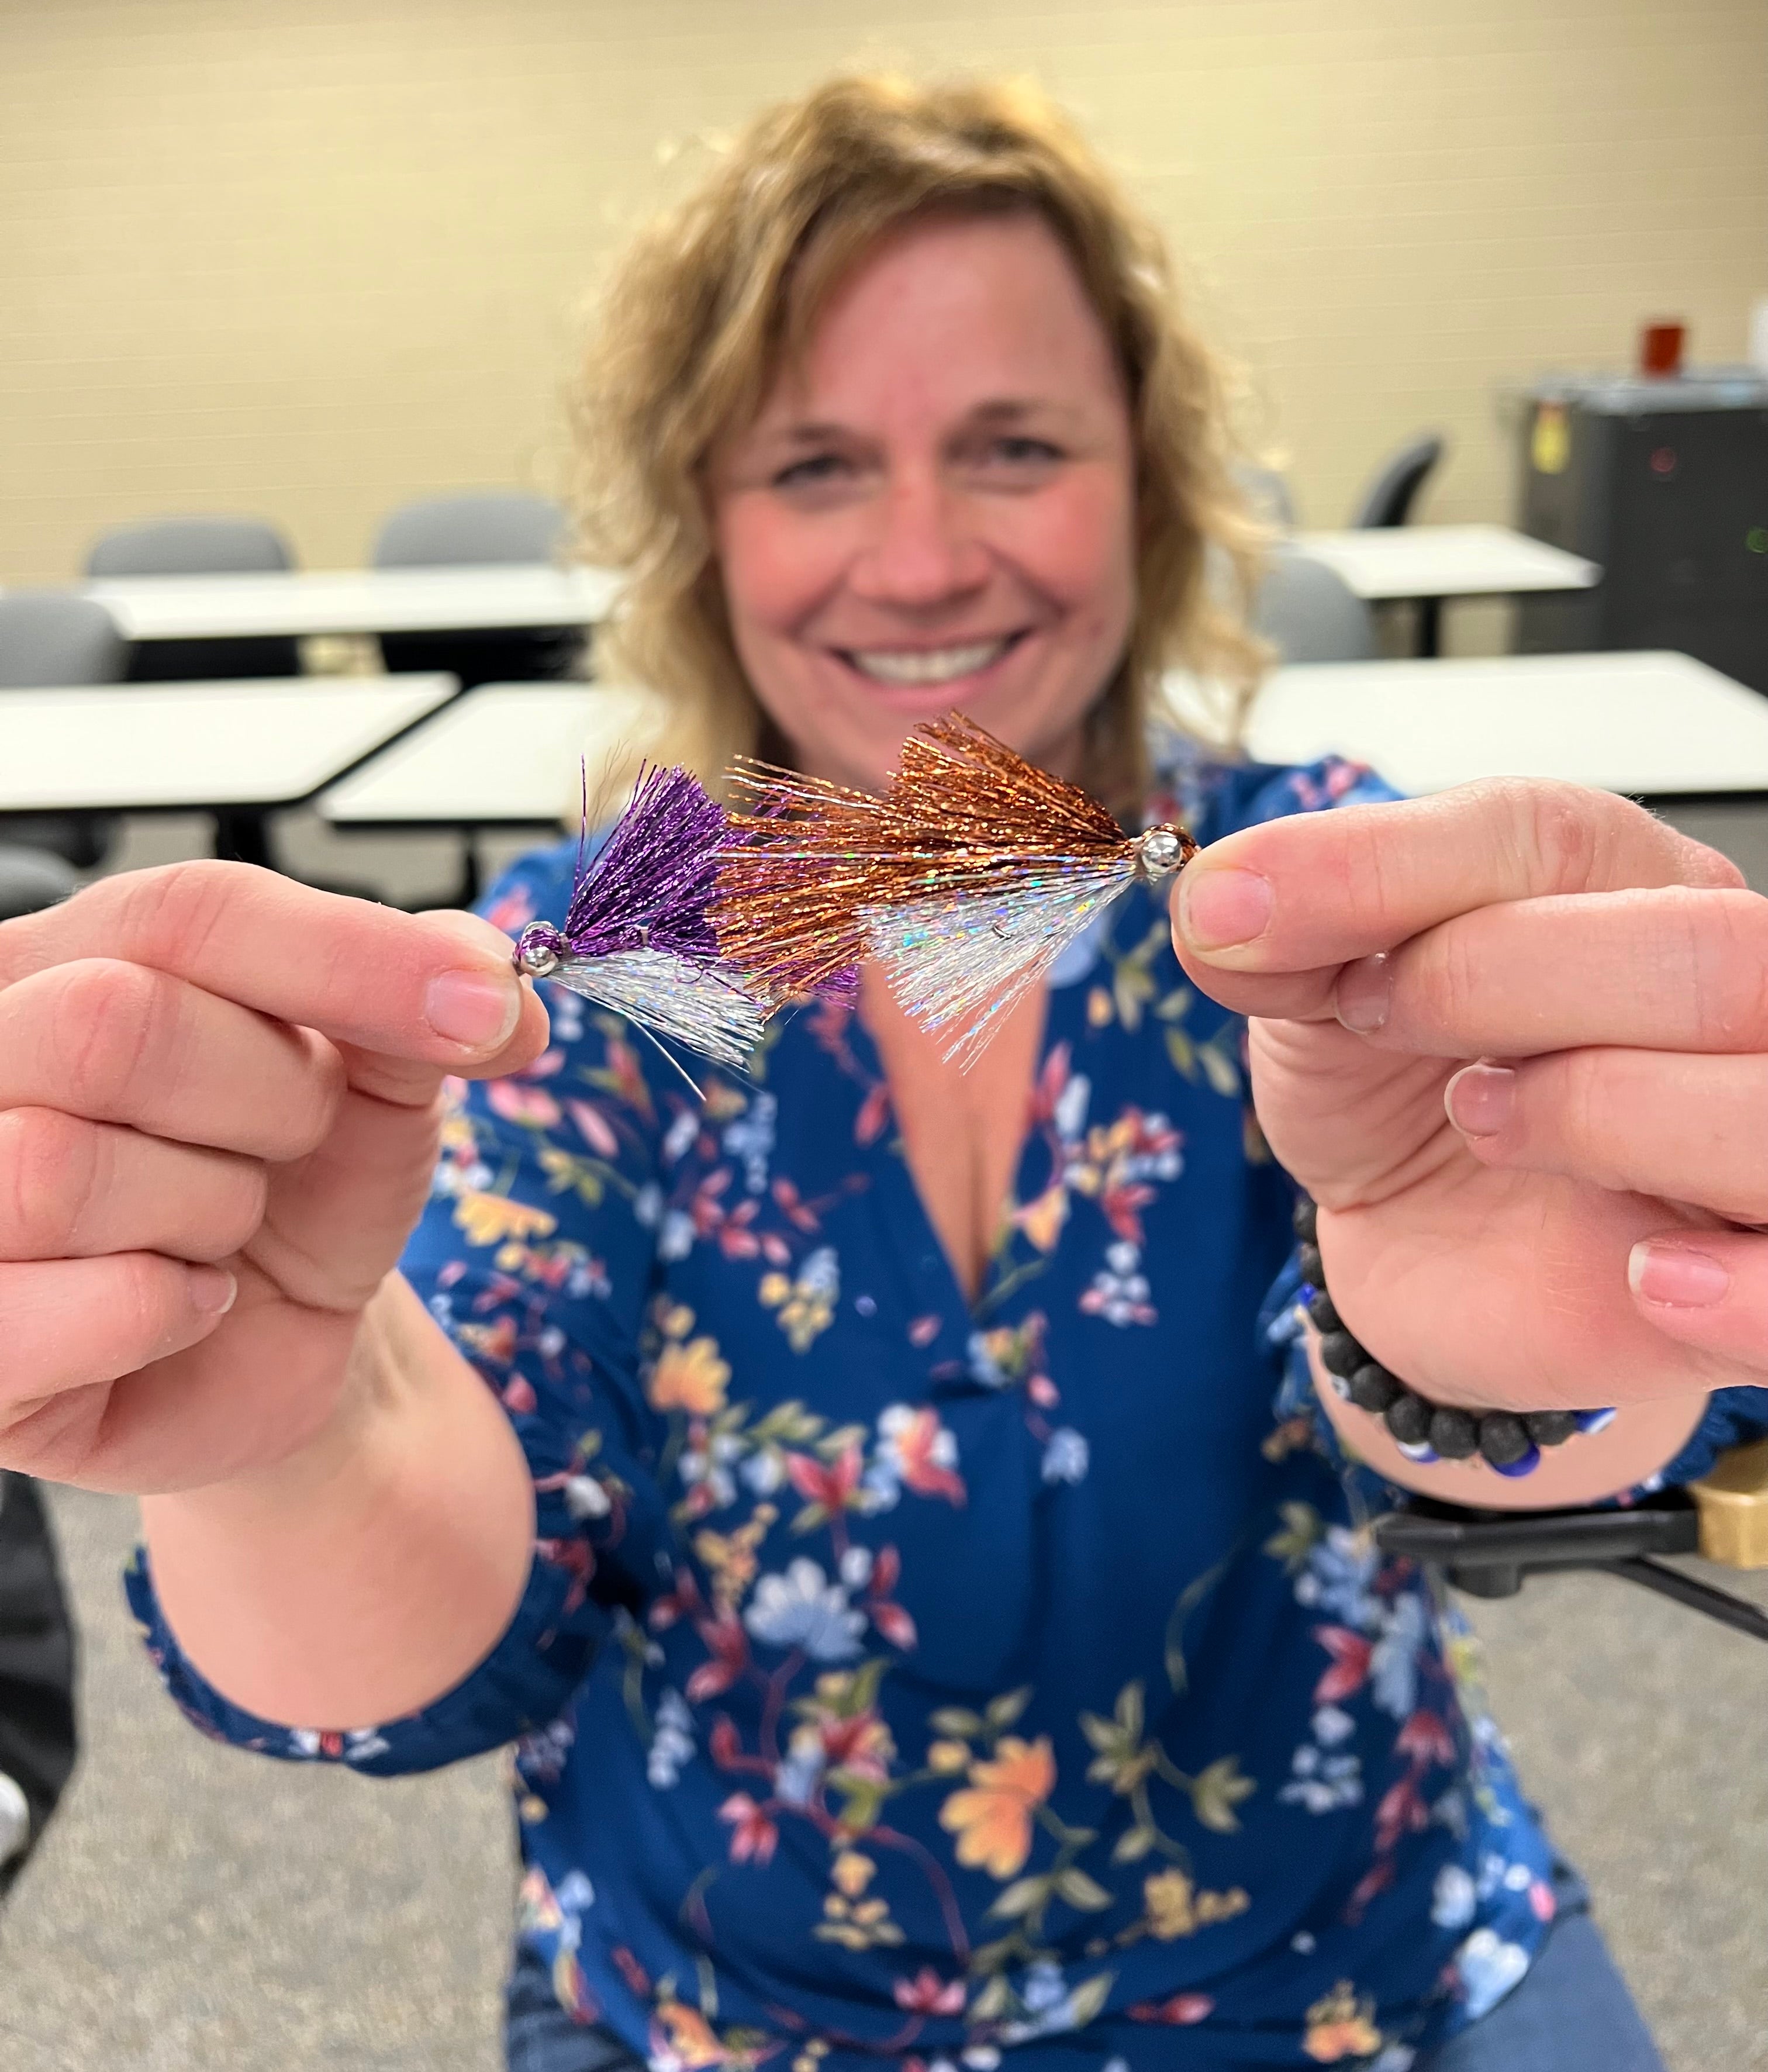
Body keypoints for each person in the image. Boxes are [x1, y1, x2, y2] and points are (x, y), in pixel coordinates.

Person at [1, 74, 1764, 2072]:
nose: (919, 563)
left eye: (1013, 447)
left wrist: (1540, 1331)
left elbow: (1536, 1433)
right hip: (725, 2011)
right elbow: (436, 1604)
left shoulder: (1324, 909)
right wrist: (298, 1426)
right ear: (705, 524)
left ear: (1147, 480)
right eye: (818, 465)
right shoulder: (612, 956)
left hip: (1361, 1964)